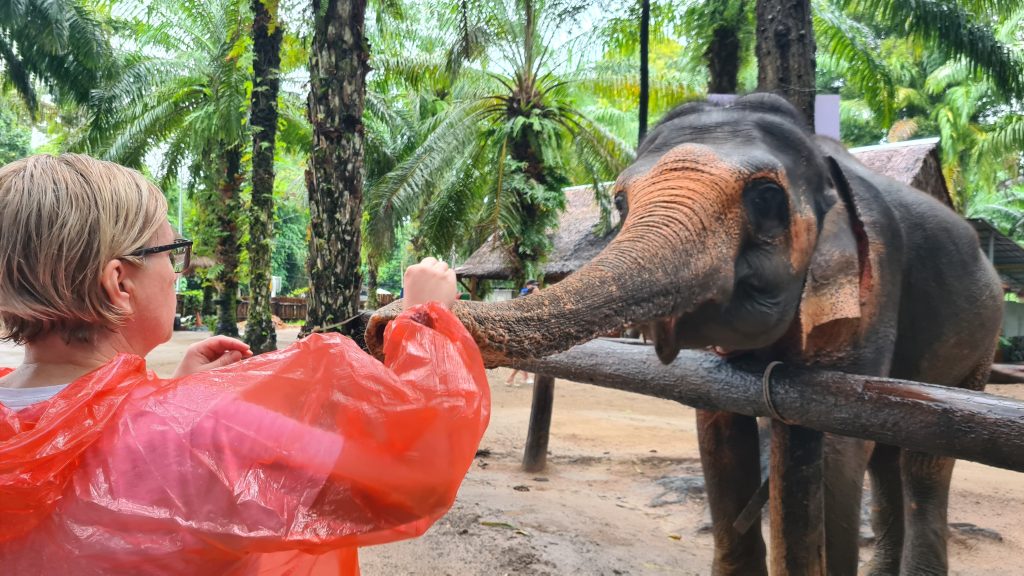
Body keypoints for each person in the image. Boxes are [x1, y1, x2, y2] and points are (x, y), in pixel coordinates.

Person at [0, 154, 490, 575]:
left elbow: (94, 445)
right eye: (172, 252)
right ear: (119, 283)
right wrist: (424, 317)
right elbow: (413, 473)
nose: (178, 273)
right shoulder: (210, 433)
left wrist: (172, 392)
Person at [505, 282, 540, 387]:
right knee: (524, 355)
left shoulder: (523, 297)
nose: (538, 289)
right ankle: (510, 378)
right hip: (525, 331)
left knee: (523, 354)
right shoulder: (528, 300)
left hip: (521, 330)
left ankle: (525, 377)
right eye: (536, 287)